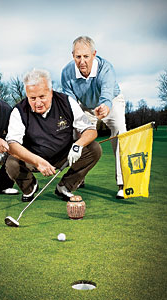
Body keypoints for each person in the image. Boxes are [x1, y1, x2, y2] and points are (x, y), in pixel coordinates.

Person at [5, 69, 102, 202]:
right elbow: (12, 145)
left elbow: (90, 130)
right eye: (32, 98)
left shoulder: (66, 102)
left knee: (94, 149)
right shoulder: (18, 111)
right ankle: (30, 187)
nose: (37, 103)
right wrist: (38, 162)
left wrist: (78, 145)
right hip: (33, 159)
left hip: (64, 155)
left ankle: (65, 186)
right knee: (12, 163)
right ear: (27, 94)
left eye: (42, 97)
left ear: (50, 92)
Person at [61, 36, 127, 199]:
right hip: (84, 105)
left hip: (111, 101)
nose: (82, 61)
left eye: (86, 56)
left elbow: (106, 93)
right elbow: (70, 102)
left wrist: (105, 106)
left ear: (94, 54)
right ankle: (78, 178)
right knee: (79, 136)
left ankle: (123, 183)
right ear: (73, 56)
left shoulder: (106, 68)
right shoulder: (66, 72)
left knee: (120, 131)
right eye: (78, 57)